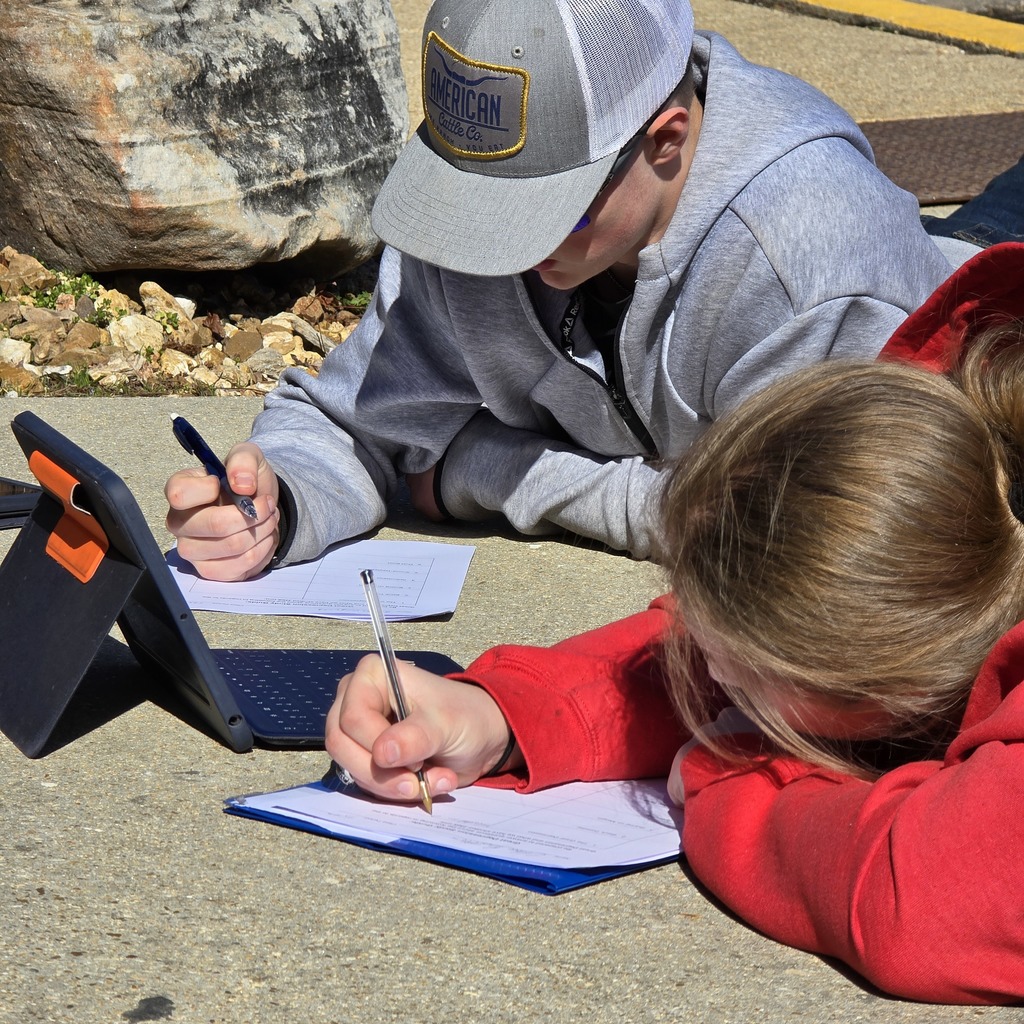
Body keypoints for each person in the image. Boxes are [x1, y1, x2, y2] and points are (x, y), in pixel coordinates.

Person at [325, 242, 1024, 1005]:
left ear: (901, 684)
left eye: (744, 679)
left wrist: (728, 774)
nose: (710, 676)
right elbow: (723, 637)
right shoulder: (952, 487)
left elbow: (920, 904)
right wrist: (505, 711)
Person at [165, 0, 983, 580]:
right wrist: (279, 500)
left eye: (544, 206)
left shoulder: (815, 267)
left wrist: (485, 469)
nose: (501, 245)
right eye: (480, 197)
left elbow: (782, 534)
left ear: (668, 140)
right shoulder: (478, 230)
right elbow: (350, 421)